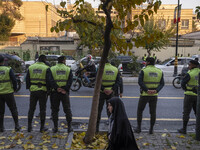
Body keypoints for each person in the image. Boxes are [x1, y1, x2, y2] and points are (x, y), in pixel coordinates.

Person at [26, 55, 58, 132]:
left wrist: (30, 88)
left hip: (33, 90)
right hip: (43, 91)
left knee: (31, 108)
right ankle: (42, 127)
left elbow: (27, 79)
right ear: (44, 60)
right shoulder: (46, 68)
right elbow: (49, 80)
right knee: (42, 109)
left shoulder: (31, 67)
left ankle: (29, 127)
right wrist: (49, 90)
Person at [134, 57, 164, 134]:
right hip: (154, 95)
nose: (145, 63)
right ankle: (151, 129)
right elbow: (162, 83)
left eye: (146, 62)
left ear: (148, 62)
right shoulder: (159, 71)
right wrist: (156, 90)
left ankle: (139, 128)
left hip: (144, 94)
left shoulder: (144, 70)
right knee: (153, 112)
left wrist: (147, 90)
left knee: (140, 111)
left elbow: (140, 82)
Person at [96, 59, 121, 132]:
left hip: (101, 92)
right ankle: (112, 128)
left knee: (98, 111)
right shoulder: (115, 69)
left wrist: (103, 89)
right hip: (111, 93)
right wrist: (112, 89)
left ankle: (96, 129)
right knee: (111, 111)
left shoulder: (100, 69)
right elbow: (118, 81)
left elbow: (97, 81)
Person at [50, 56, 73, 133]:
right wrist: (65, 89)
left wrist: (57, 88)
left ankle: (55, 128)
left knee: (55, 110)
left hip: (55, 93)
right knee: (67, 110)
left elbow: (50, 80)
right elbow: (70, 81)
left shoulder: (52, 69)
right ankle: (69, 127)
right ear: (64, 61)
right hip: (64, 93)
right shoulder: (68, 69)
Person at [177, 60, 200, 134]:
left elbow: (183, 83)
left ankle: (184, 129)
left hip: (189, 95)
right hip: (198, 95)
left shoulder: (190, 73)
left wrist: (186, 89)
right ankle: (198, 130)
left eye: (189, 65)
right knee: (197, 112)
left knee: (186, 112)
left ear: (193, 65)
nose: (188, 66)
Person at [0, 55, 21, 132]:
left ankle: (1, 127)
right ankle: (17, 125)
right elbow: (14, 80)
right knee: (13, 109)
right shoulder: (8, 69)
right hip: (8, 92)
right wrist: (14, 89)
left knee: (1, 111)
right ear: (3, 61)